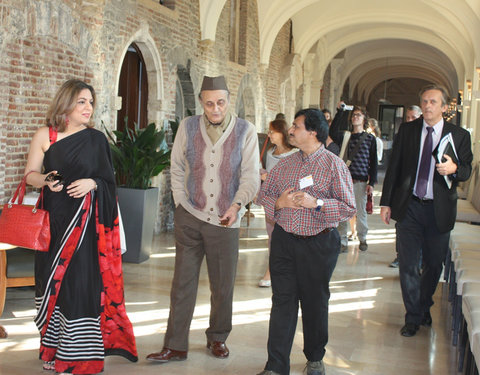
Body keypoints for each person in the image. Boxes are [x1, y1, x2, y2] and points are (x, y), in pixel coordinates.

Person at [24, 79, 138, 374]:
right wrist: (46, 180)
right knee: (54, 285)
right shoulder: (44, 135)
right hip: (54, 222)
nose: (88, 108)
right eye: (82, 102)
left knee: (80, 285)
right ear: (66, 103)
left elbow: (109, 182)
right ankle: (51, 348)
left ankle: (78, 356)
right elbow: (29, 176)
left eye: (90, 102)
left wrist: (92, 183)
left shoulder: (96, 139)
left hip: (87, 225)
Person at [146, 75, 259, 363]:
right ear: (201, 102)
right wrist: (181, 202)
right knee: (182, 283)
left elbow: (250, 176)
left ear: (228, 99)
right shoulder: (188, 126)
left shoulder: (246, 131)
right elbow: (176, 166)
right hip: (191, 216)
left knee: (223, 286)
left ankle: (218, 337)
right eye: (209, 103)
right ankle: (175, 345)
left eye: (220, 102)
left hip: (225, 219)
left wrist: (236, 205)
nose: (215, 109)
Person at [256, 108, 356, 375]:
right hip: (285, 242)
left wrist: (318, 203)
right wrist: (278, 203)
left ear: (313, 132)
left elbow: (349, 207)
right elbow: (263, 197)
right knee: (282, 301)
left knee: (314, 302)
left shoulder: (334, 165)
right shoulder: (284, 165)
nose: (291, 130)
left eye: (296, 126)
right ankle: (276, 366)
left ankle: (314, 358)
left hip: (319, 245)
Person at [380, 84, 473, 337]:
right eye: (424, 101)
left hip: (438, 210)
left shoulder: (459, 135)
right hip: (409, 206)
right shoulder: (408, 130)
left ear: (444, 107)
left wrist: (454, 168)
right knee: (408, 265)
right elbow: (395, 167)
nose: (427, 106)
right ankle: (413, 316)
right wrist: (386, 202)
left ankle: (423, 304)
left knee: (433, 265)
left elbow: (467, 170)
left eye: (433, 102)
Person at [330, 105, 377, 252]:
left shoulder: (370, 139)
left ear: (364, 119)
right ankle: (342, 241)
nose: (355, 117)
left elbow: (373, 162)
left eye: (359, 115)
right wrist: (341, 112)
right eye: (354, 115)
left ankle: (362, 238)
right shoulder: (345, 136)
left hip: (360, 181)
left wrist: (372, 182)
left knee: (360, 211)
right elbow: (332, 131)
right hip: (344, 180)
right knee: (343, 211)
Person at [258, 118, 297, 288]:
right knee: (272, 238)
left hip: (288, 203)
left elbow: (295, 180)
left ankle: (278, 270)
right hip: (271, 203)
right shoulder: (268, 153)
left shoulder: (295, 154)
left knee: (287, 239)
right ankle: (272, 270)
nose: (269, 135)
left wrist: (271, 178)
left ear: (282, 133)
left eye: (272, 132)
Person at [389, 105, 423, 268]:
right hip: (403, 192)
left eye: (413, 118)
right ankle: (399, 256)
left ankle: (419, 258)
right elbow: (394, 166)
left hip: (421, 192)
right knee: (401, 225)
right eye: (408, 117)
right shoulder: (402, 134)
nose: (410, 121)